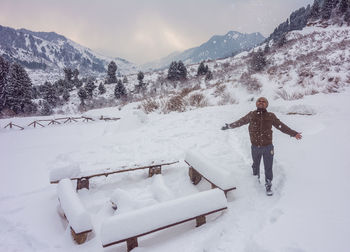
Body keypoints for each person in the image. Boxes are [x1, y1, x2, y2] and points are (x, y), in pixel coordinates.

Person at [221, 97, 302, 196]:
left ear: (267, 105)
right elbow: (241, 121)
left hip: (268, 147)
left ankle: (268, 184)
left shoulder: (270, 116)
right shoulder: (251, 115)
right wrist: (229, 126)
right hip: (255, 147)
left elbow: (281, 126)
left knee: (268, 167)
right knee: (255, 165)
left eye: (264, 102)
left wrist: (294, 134)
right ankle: (255, 181)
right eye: (259, 101)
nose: (261, 102)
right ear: (256, 104)